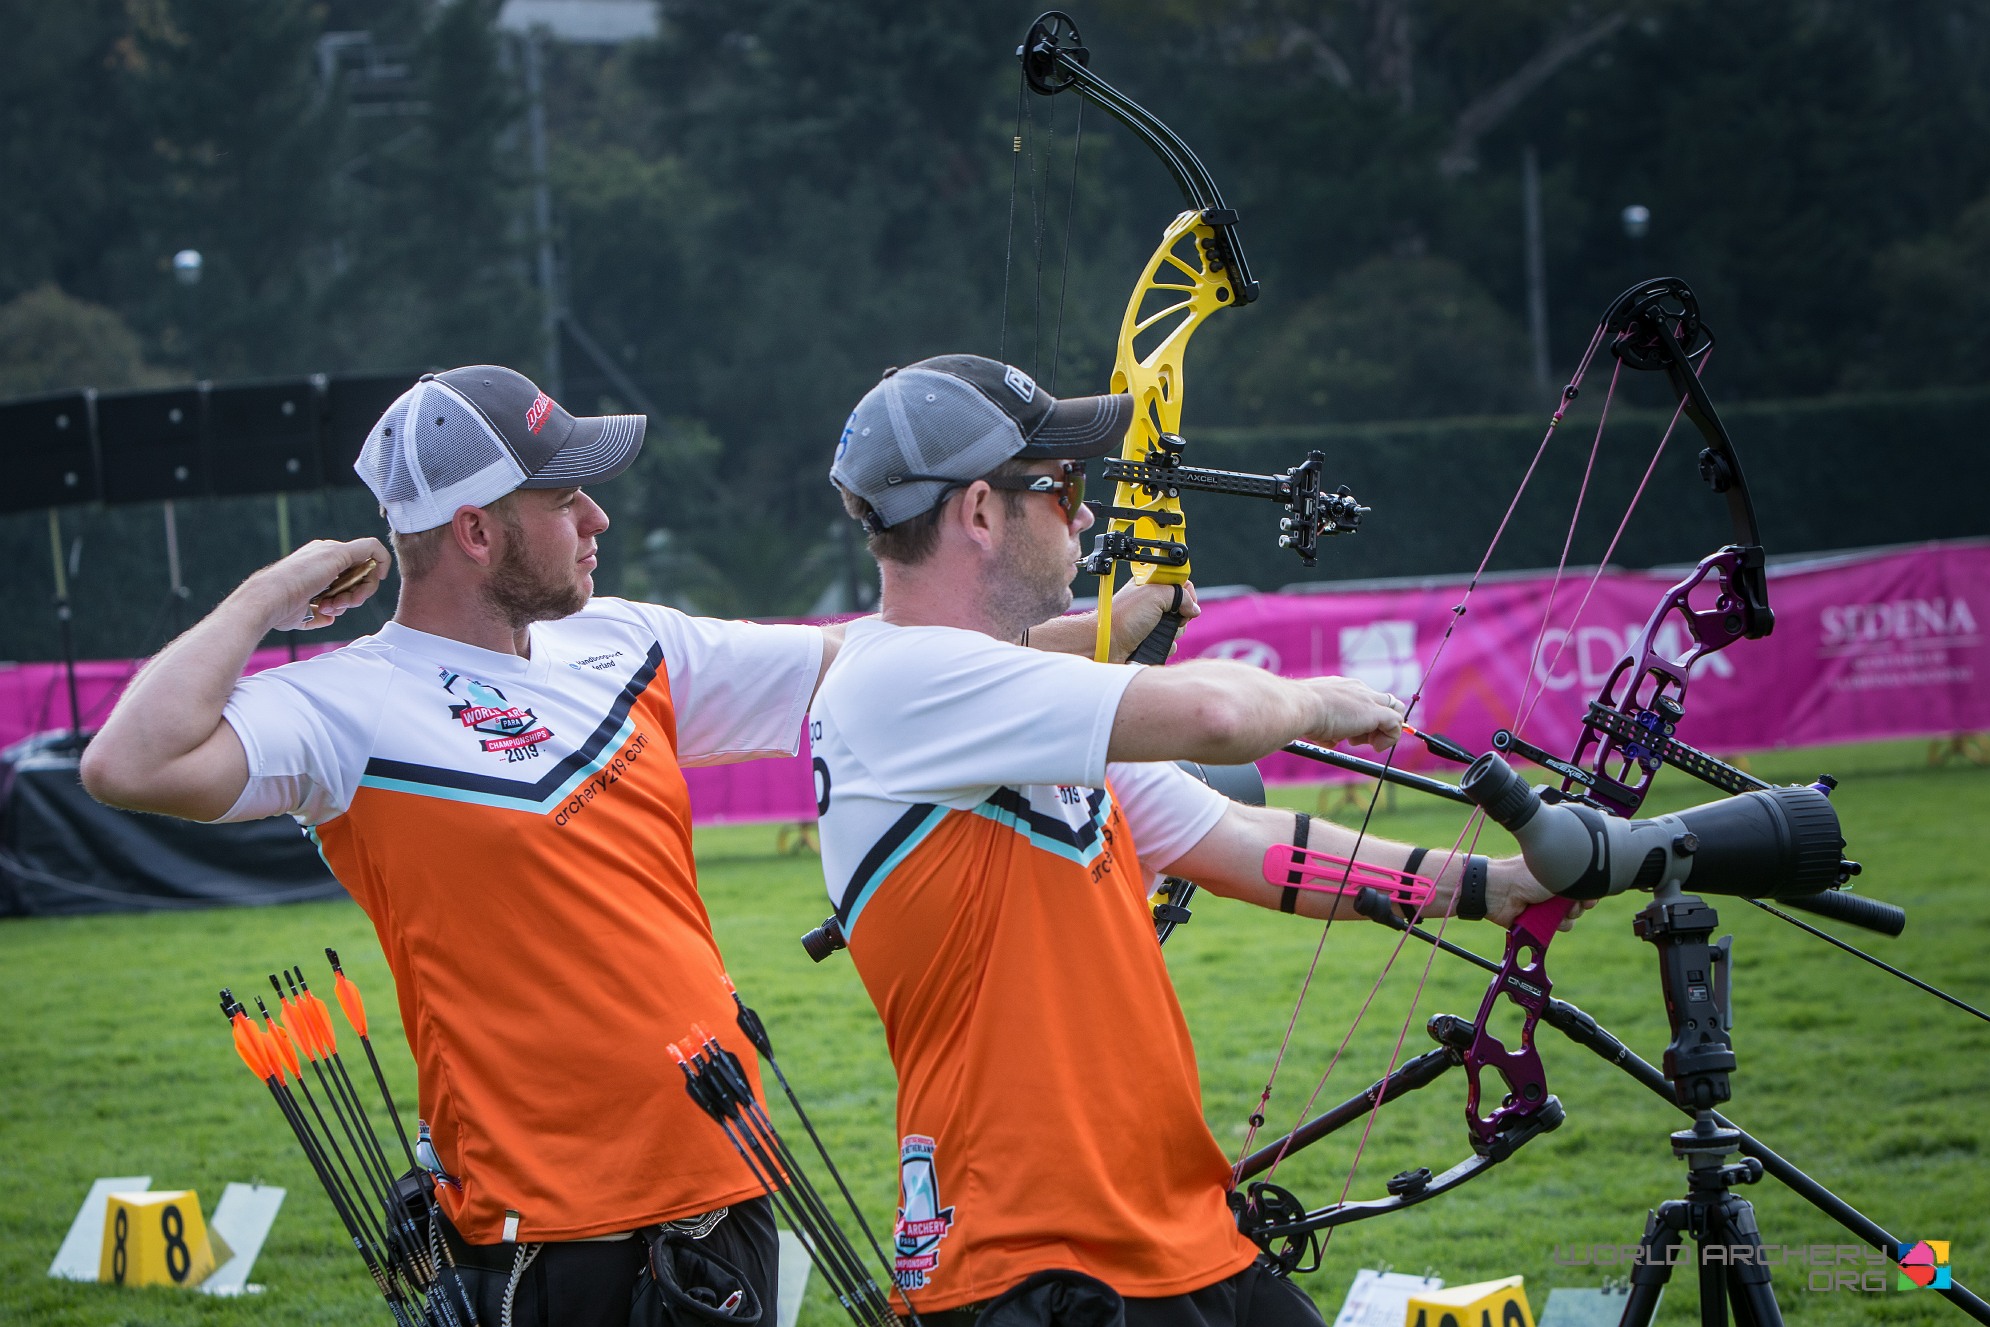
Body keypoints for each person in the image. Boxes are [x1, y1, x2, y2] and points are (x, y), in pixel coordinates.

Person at [79, 364, 1182, 1327]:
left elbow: (884, 663)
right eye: (566, 499)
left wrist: (1110, 625)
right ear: (477, 530)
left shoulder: (624, 640)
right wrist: (275, 591)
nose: (598, 519)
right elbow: (129, 763)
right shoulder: (344, 709)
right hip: (547, 1231)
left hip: (729, 1179)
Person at [814, 355, 1584, 1327]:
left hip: (1179, 1235)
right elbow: (1220, 714)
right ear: (976, 510)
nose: (1085, 517)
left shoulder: (1005, 707)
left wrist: (1496, 883)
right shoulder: (899, 680)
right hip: (1033, 1266)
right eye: (1063, 488)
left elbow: (1234, 840)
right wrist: (1319, 701)